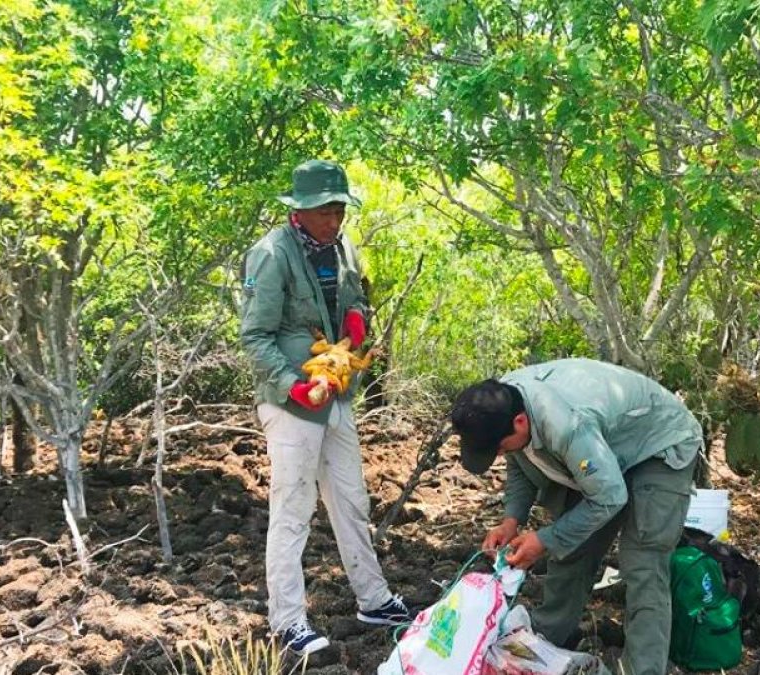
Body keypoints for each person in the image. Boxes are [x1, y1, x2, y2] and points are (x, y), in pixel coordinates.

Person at [238, 159, 413, 655]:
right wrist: (294, 384)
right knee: (292, 509)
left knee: (351, 500)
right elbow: (255, 336)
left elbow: (356, 299)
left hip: (336, 396)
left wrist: (356, 321)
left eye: (340, 209)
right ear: (302, 210)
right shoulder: (272, 254)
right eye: (326, 210)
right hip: (292, 401)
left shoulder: (343, 249)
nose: (335, 219)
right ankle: (287, 621)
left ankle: (373, 599)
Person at [449, 358, 702, 675]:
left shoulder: (566, 425)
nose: (499, 454)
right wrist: (511, 519)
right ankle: (544, 643)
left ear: (520, 423)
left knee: (643, 563)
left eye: (498, 448)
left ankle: (644, 668)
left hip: (659, 445)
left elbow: (609, 497)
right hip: (603, 454)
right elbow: (520, 463)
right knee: (574, 547)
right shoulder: (500, 401)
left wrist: (544, 539)